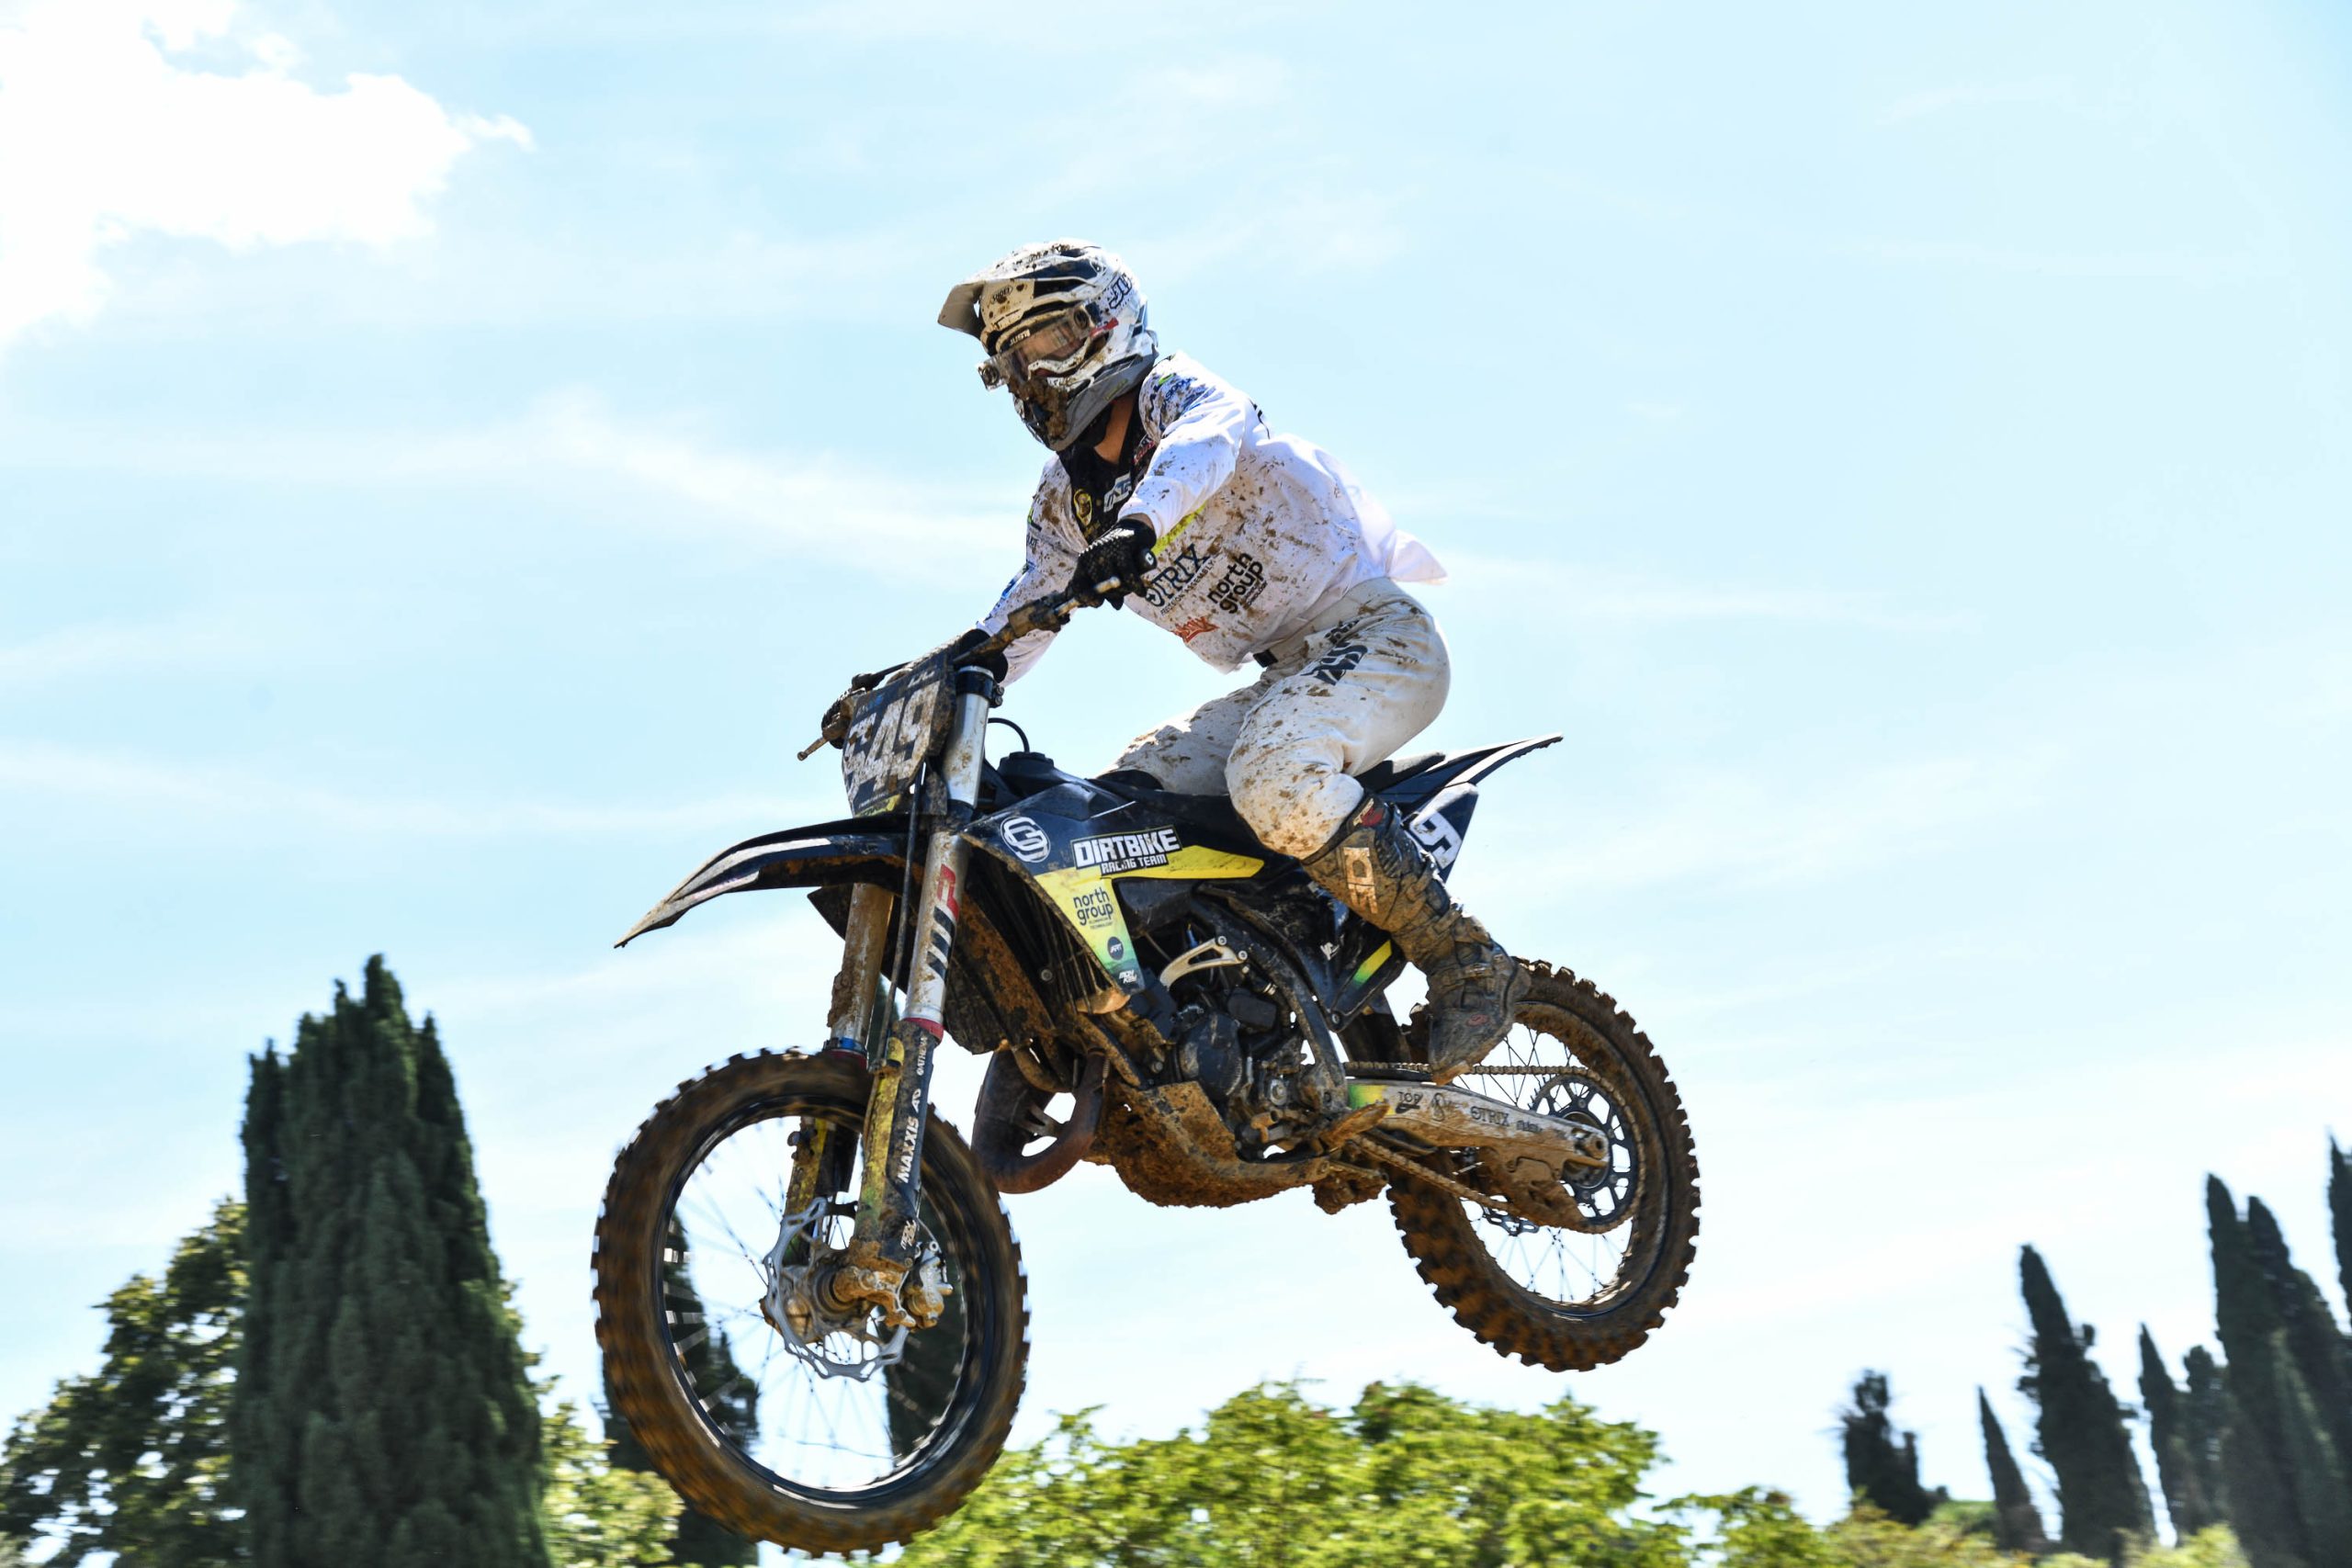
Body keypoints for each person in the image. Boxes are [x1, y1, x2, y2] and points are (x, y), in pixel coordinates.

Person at [930, 238, 1527, 1080]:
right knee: (1119, 808)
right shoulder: (1065, 501)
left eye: (1048, 340)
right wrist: (943, 676)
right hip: (1285, 678)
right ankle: (1215, 1007)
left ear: (1106, 323)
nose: (1033, 374)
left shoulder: (1177, 394)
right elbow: (1025, 605)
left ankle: (1466, 957)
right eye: (1012, 361)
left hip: (1376, 637)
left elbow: (1207, 441)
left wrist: (1139, 525)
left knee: (1273, 776)